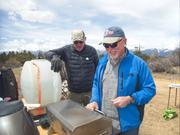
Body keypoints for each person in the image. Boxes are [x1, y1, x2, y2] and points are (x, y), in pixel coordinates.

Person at [86, 26, 156, 135]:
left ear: (125, 41)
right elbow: (96, 83)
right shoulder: (102, 63)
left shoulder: (138, 64)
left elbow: (150, 89)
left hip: (129, 125)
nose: (110, 49)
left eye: (114, 44)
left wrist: (130, 99)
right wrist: (94, 100)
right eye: (106, 45)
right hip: (104, 122)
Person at [45, 29, 99, 106]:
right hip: (74, 93)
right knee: (74, 116)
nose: (79, 44)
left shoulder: (92, 51)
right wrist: (54, 56)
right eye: (75, 42)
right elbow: (48, 52)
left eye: (81, 42)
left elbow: (98, 68)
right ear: (72, 41)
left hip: (90, 92)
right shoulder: (66, 50)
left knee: (92, 114)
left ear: (85, 39)